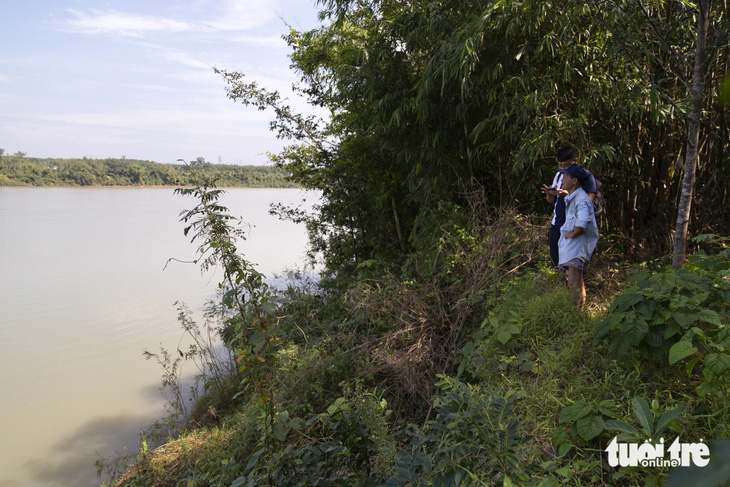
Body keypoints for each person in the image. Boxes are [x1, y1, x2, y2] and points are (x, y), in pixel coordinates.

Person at [541, 147, 596, 270]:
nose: (563, 168)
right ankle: (559, 287)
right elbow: (551, 201)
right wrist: (550, 194)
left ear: (575, 161)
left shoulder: (585, 176)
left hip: (573, 225)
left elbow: (587, 203)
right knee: (556, 264)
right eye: (560, 165)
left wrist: (566, 194)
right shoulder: (559, 174)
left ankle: (573, 288)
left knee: (574, 267)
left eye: (566, 165)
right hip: (558, 223)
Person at [556, 163, 599, 309]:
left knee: (573, 281)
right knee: (578, 281)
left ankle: (573, 313)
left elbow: (583, 219)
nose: (562, 179)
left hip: (577, 247)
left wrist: (574, 233)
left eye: (566, 176)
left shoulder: (581, 199)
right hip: (574, 246)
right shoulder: (574, 197)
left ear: (574, 181)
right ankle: (579, 313)